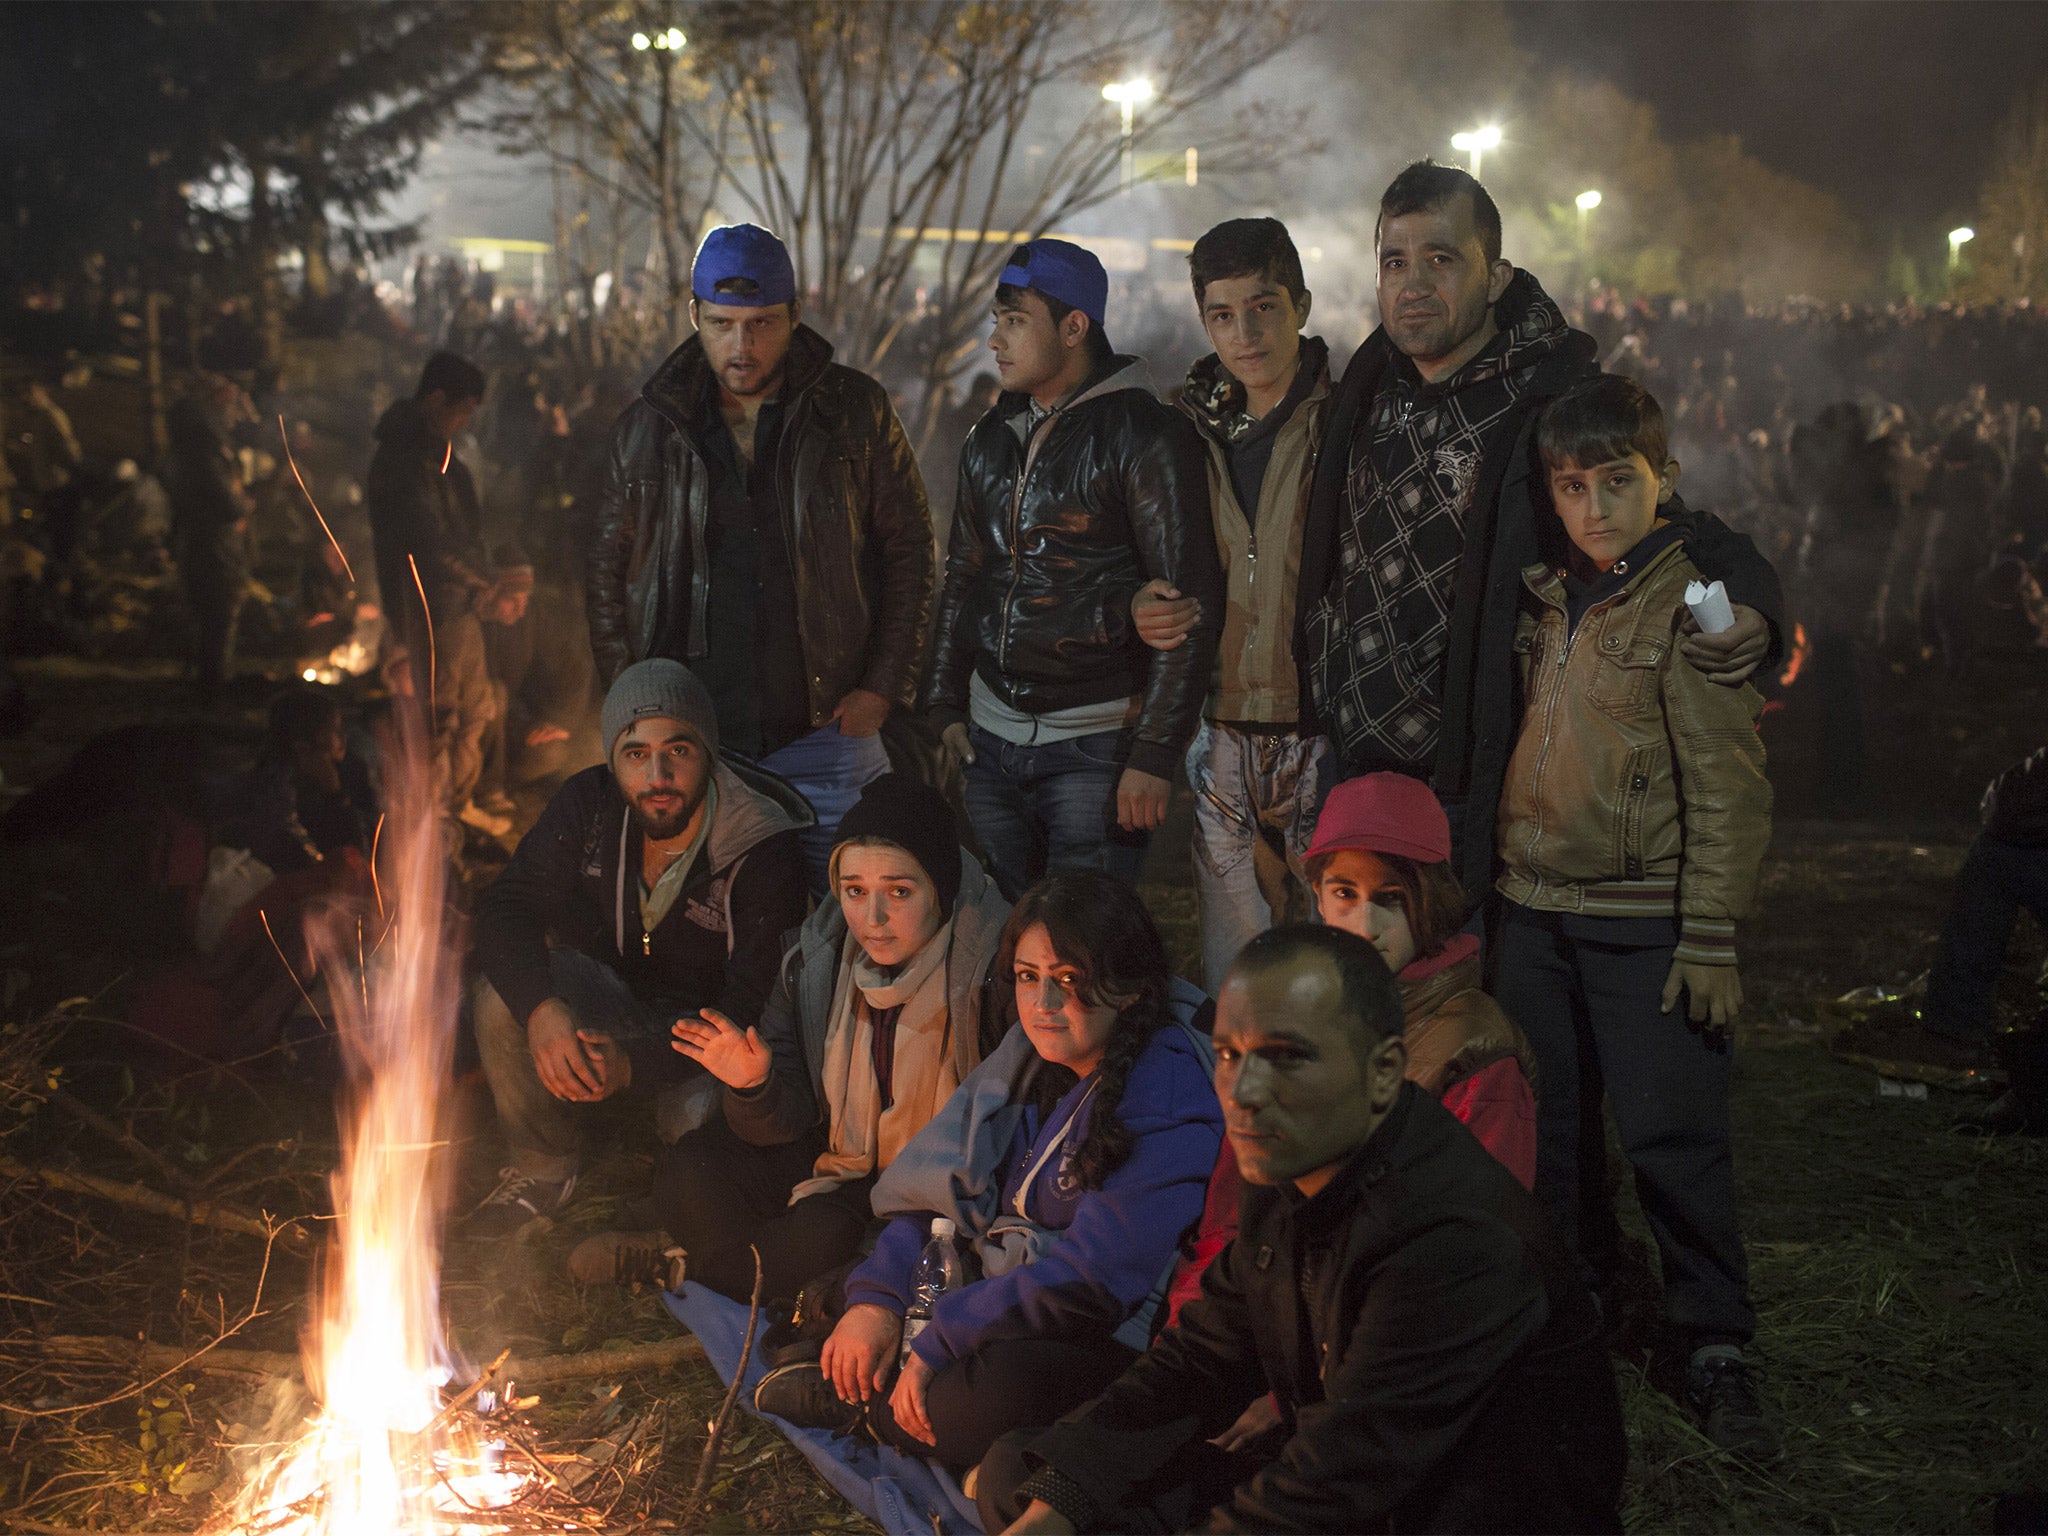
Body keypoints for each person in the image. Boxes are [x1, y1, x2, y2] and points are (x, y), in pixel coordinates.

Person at [978, 925, 1626, 1535]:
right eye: (1229, 1054)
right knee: (1031, 1479)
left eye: (1286, 1057)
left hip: (1438, 1511)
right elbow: (1202, 1355)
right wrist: (1057, 1501)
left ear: (1382, 1071)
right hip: (1340, 1475)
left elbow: (1335, 1486)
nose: (1244, 1091)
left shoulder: (1452, 1242)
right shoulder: (1294, 1162)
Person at [1293, 162, 1782, 901]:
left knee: (1462, 997)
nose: (1413, 282)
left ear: (1496, 276)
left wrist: (1755, 601)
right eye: (1395, 261)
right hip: (1352, 763)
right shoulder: (1370, 387)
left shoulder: (1549, 399)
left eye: (1441, 259)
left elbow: (1667, 519)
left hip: (1466, 779)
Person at [1490, 375, 1774, 1458]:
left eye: (1618, 480)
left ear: (1661, 481)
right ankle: (1565, 1321)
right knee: (1547, 1136)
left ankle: (1711, 1341)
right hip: (1532, 912)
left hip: (1643, 918)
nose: (1595, 504)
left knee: (1670, 1135)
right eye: (1573, 485)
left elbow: (1725, 780)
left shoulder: (1689, 605)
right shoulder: (1544, 597)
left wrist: (1708, 932)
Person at [754, 870, 1223, 1475]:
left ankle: (864, 1410)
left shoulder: (1168, 1086)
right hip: (996, 1289)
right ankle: (872, 1368)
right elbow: (935, 1191)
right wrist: (880, 1301)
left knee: (1003, 1392)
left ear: (1129, 988)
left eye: (1069, 981)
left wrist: (941, 1337)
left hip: (1102, 1332)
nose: (1043, 1005)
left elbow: (1093, 1282)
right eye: (1029, 978)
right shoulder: (1028, 1057)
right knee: (864, 1274)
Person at [566, 774, 1012, 1300]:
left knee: (819, 1238)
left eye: (898, 891)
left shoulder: (994, 973)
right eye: (854, 891)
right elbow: (789, 1119)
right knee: (690, 1169)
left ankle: (692, 1267)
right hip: (837, 1154)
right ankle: (749, 1274)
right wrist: (755, 1085)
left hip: (933, 1191)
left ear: (940, 887)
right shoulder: (814, 959)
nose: (872, 919)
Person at [587, 223, 934, 889]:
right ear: (694, 316)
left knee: (849, 917)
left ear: (795, 315)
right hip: (699, 734)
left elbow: (910, 551)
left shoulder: (854, 412)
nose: (741, 346)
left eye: (761, 324)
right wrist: (634, 711)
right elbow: (604, 578)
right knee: (715, 934)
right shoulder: (646, 431)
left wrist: (883, 688)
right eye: (721, 324)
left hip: (829, 730)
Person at [466, 660, 811, 1235]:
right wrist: (543, 1010)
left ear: (708, 751)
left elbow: (749, 1003)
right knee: (502, 1000)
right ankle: (546, 1165)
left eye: (678, 750)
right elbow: (508, 905)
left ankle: (663, 1169)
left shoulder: (760, 848)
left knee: (696, 1117)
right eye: (635, 754)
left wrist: (636, 1067)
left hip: (710, 1034)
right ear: (613, 758)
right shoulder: (591, 806)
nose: (657, 775)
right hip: (616, 997)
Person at [923, 239, 1223, 897]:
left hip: (1097, 744)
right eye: (996, 320)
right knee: (999, 937)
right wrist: (943, 705)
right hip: (987, 734)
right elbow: (966, 575)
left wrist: (1152, 755)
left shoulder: (1145, 434)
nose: (995, 339)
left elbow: (1189, 606)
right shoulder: (989, 438)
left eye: (1015, 320)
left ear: (1074, 326)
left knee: (1082, 945)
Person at [1131, 218, 1337, 994]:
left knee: (1325, 961)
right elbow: (1141, 550)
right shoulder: (1185, 430)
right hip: (1220, 725)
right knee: (1235, 969)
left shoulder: (1343, 425)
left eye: (1264, 308)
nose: (1245, 333)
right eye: (1222, 314)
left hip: (1317, 722)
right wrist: (1135, 603)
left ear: (1302, 306)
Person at [366, 350, 508, 838]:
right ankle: (433, 826)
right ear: (436, 398)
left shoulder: (436, 458)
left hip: (458, 608)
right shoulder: (402, 462)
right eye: (462, 409)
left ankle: (458, 806)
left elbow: (463, 529)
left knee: (476, 712)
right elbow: (427, 543)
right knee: (439, 720)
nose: (465, 421)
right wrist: (484, 577)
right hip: (430, 611)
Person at [165, 373, 253, 698]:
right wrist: (243, 503)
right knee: (220, 609)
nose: (233, 414)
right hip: (215, 544)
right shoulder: (205, 451)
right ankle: (214, 687)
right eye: (229, 405)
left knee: (206, 612)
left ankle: (203, 680)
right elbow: (225, 501)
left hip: (198, 541)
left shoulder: (188, 446)